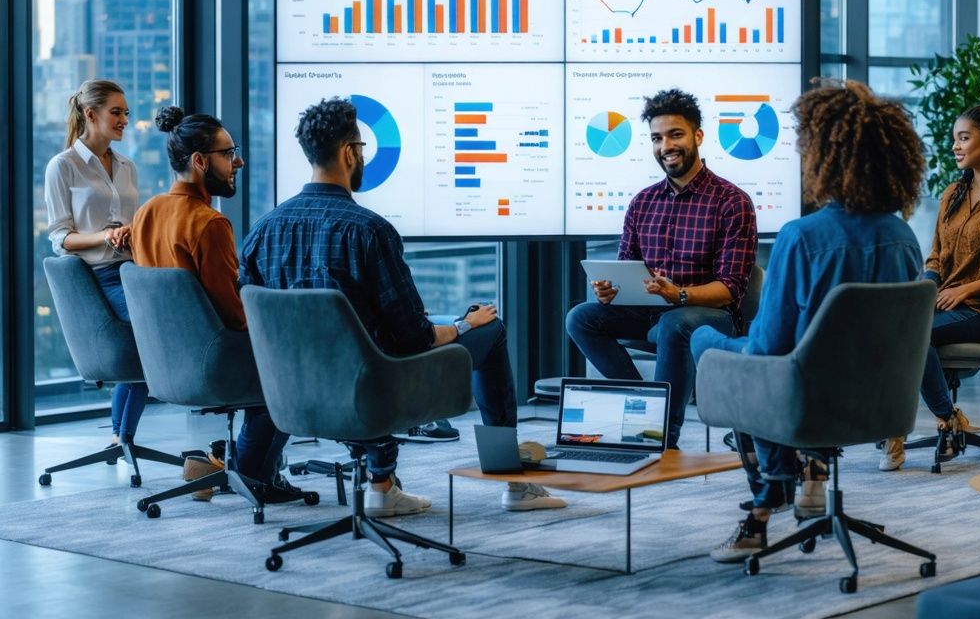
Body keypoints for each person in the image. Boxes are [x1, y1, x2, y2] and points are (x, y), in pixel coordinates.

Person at [238, 98, 567, 515]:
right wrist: (464, 326)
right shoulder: (369, 231)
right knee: (492, 331)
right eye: (362, 148)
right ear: (350, 153)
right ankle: (513, 485)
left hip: (290, 392)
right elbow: (416, 337)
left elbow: (256, 320)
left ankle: (384, 482)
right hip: (372, 389)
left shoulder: (262, 231)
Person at [690, 79, 926, 563]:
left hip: (809, 402)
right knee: (796, 360)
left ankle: (767, 497)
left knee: (707, 342)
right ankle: (813, 473)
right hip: (881, 405)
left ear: (824, 157)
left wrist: (715, 342)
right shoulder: (904, 239)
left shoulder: (802, 238)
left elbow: (767, 351)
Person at [565, 88, 757, 449]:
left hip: (708, 316)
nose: (666, 145)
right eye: (657, 138)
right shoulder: (643, 202)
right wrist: (610, 291)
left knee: (675, 321)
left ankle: (662, 436)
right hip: (650, 312)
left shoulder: (732, 202)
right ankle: (644, 406)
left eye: (675, 134)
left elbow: (731, 289)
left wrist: (679, 294)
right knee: (581, 317)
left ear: (697, 136)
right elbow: (628, 271)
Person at [129, 106, 301, 504]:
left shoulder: (145, 215)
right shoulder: (208, 223)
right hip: (213, 366)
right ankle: (255, 476)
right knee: (293, 366)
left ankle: (223, 462)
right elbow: (236, 317)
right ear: (200, 161)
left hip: (165, 367)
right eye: (229, 153)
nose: (238, 160)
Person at [880, 101, 980, 472]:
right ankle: (946, 418)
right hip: (942, 301)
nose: (955, 146)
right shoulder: (952, 192)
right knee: (891, 326)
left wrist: (966, 291)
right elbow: (936, 256)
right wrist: (923, 291)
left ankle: (908, 426)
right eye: (954, 138)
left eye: (964, 138)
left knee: (911, 336)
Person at [45, 80, 148, 449]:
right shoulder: (64, 166)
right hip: (99, 277)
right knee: (153, 331)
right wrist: (105, 237)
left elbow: (130, 223)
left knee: (164, 326)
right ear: (91, 114)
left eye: (126, 113)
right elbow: (61, 238)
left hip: (132, 269)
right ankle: (123, 438)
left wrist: (131, 233)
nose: (124, 120)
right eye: (116, 112)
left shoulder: (127, 166)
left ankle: (122, 438)